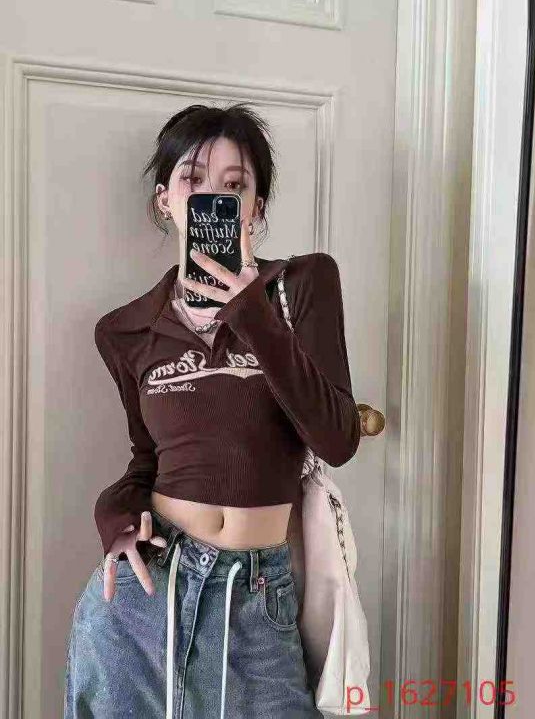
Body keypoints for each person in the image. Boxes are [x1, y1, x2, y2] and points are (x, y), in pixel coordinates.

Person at [63, 103, 362, 719]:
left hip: (260, 598)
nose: (213, 198)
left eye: (234, 185)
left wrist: (250, 310)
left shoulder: (302, 287)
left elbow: (337, 439)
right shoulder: (126, 331)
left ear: (255, 207)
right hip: (145, 598)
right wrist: (116, 521)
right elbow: (145, 461)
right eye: (193, 180)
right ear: (165, 200)